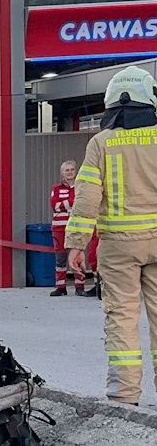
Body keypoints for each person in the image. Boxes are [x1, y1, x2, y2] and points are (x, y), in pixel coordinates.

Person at [66, 66, 157, 406]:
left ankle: (124, 395)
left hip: (118, 246)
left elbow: (87, 197)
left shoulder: (100, 143)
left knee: (121, 317)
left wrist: (76, 244)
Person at [50, 160, 98, 297]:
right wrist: (72, 201)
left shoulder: (81, 186)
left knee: (78, 257)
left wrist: (65, 204)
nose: (70, 172)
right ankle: (60, 286)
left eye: (72, 169)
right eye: (67, 170)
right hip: (59, 228)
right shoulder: (56, 188)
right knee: (60, 258)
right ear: (62, 173)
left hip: (78, 227)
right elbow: (55, 206)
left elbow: (83, 203)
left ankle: (79, 286)